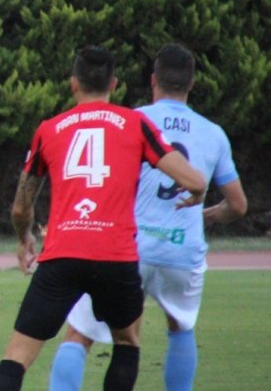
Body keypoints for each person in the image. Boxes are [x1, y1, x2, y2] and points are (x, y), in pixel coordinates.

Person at [0, 45, 208, 391]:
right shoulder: (136, 123)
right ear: (114, 84)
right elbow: (193, 180)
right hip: (115, 258)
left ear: (73, 84)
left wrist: (24, 238)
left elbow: (21, 207)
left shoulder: (50, 129)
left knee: (16, 356)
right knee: (127, 342)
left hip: (62, 255)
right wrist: (197, 192)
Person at [48, 44, 248, 391]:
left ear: (153, 80)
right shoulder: (213, 133)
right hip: (181, 251)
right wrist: (205, 217)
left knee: (79, 334)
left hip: (127, 249)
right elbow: (238, 205)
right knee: (181, 328)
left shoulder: (129, 121)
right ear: (192, 84)